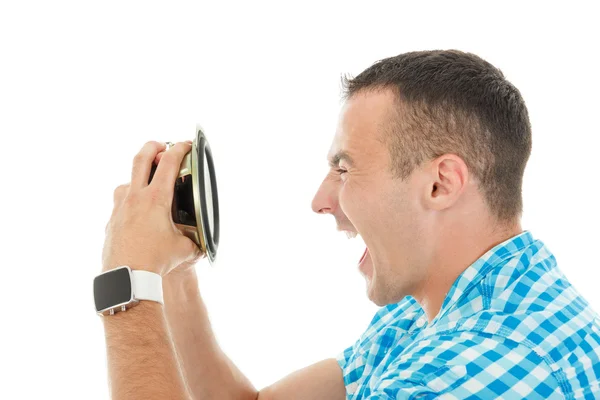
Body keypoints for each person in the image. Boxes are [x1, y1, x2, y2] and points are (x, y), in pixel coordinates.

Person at [100, 50, 600, 399]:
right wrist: (175, 271)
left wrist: (128, 287)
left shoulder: (491, 363)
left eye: (344, 168)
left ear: (441, 183)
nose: (321, 200)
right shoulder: (434, 303)